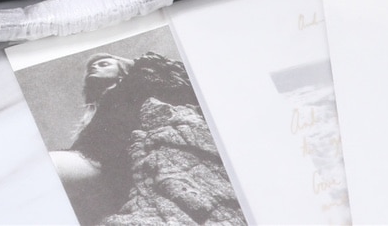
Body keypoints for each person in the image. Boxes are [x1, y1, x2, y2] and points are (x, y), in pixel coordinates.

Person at [50, 51, 244, 225]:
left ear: (122, 67)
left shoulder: (137, 82)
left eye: (104, 64)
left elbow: (172, 75)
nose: (95, 67)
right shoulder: (98, 108)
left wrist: (133, 64)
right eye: (93, 67)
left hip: (113, 163)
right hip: (102, 167)